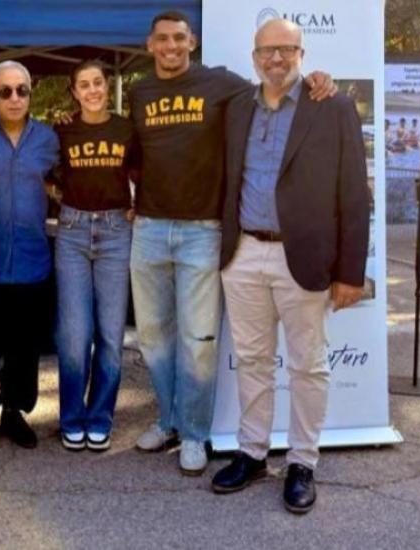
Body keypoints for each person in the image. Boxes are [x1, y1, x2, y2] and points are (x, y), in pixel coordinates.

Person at [127, 10, 336, 475]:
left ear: (192, 42)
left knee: (199, 340)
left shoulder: (222, 84)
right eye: (162, 39)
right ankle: (168, 421)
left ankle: (194, 433)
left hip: (203, 230)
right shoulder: (139, 91)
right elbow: (135, 153)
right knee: (153, 336)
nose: (171, 46)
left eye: (179, 38)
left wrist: (317, 79)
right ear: (150, 45)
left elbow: (276, 84)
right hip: (150, 228)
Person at [210, 19, 369, 515]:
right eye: (266, 51)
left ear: (302, 53)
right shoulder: (237, 107)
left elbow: (354, 194)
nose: (275, 59)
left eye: (285, 49)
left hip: (304, 256)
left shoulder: (333, 107)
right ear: (254, 57)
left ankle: (302, 461)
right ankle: (253, 453)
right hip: (243, 253)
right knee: (252, 360)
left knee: (308, 365)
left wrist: (351, 272)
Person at [0, 61, 59, 456]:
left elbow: (68, 179)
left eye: (22, 90)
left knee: (24, 348)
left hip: (33, 260)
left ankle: (14, 412)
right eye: (5, 91)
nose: (15, 98)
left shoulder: (49, 139)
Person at [53, 60, 136, 452]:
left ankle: (100, 416)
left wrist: (138, 204)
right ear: (74, 92)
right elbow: (47, 172)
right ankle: (72, 417)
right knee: (75, 335)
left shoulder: (126, 128)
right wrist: (58, 198)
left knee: (110, 333)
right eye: (83, 85)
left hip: (116, 232)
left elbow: (143, 172)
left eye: (98, 82)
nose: (92, 91)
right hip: (72, 232)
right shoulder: (62, 129)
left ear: (107, 84)